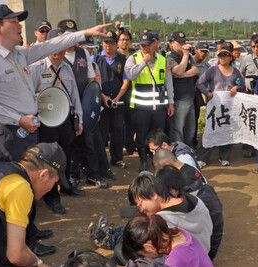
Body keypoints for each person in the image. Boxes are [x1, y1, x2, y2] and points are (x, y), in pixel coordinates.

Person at [0, 4, 112, 255]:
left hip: (27, 129)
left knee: (28, 184)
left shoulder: (20, 55)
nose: (18, 26)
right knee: (15, 187)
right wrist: (18, 119)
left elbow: (52, 45)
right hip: (9, 133)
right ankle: (20, 243)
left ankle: (30, 232)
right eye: (13, 21)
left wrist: (86, 32)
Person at [29, 28, 86, 214]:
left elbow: (74, 95)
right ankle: (52, 197)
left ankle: (66, 185)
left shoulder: (68, 68)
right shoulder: (37, 68)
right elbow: (30, 95)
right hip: (46, 121)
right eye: (55, 46)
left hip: (66, 119)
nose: (59, 51)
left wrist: (79, 117)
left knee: (66, 154)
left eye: (62, 46)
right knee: (49, 159)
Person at [57, 19, 114, 186]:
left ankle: (93, 175)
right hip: (64, 108)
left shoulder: (83, 54)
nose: (71, 38)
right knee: (70, 144)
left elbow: (92, 82)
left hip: (84, 106)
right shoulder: (56, 54)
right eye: (67, 35)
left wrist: (93, 109)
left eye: (73, 34)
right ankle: (73, 176)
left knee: (89, 143)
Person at [154, 153, 223, 260]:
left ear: (171, 190)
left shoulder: (193, 202)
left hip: (202, 253)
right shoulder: (198, 189)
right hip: (205, 248)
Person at [124, 30, 175, 171]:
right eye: (142, 45)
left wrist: (171, 102)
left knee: (158, 135)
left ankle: (157, 160)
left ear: (155, 43)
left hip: (159, 106)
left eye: (148, 45)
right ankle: (143, 162)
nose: (145, 48)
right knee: (141, 135)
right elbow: (131, 75)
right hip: (140, 107)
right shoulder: (133, 58)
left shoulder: (163, 60)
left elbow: (168, 82)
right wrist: (143, 62)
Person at [128, 174, 213, 253]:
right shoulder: (195, 200)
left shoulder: (161, 220)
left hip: (187, 261)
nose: (141, 209)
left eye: (140, 204)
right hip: (205, 252)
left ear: (154, 194)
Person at [196, 41, 245, 167]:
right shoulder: (212, 70)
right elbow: (199, 83)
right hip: (214, 107)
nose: (223, 58)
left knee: (227, 130)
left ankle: (224, 156)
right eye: (220, 55)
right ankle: (203, 157)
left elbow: (242, 85)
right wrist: (207, 93)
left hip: (229, 108)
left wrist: (236, 88)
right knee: (210, 130)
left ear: (230, 57)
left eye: (226, 55)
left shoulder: (235, 72)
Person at [94, 30, 130, 169]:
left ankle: (116, 159)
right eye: (106, 42)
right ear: (102, 44)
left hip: (117, 102)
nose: (109, 45)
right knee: (101, 133)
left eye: (112, 42)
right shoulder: (95, 59)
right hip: (101, 102)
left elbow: (125, 82)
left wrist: (117, 98)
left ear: (116, 44)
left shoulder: (123, 60)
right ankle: (100, 160)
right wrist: (103, 97)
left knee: (117, 131)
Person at [122, 215, 214, 267]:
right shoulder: (178, 233)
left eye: (143, 254)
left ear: (149, 246)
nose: (145, 257)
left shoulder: (174, 260)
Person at [167, 31, 199, 148]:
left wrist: (183, 74)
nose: (183, 44)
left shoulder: (190, 57)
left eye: (184, 42)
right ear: (171, 43)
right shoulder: (170, 57)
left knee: (190, 129)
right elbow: (177, 71)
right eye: (179, 42)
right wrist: (185, 56)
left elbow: (196, 70)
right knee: (177, 129)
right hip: (178, 99)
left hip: (190, 97)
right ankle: (179, 151)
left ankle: (189, 150)